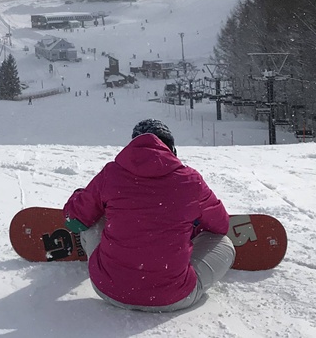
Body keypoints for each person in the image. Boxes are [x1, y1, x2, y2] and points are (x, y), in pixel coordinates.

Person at [63, 119, 235, 312]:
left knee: (93, 218)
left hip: (109, 291)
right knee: (223, 242)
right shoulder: (190, 181)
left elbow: (74, 220)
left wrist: (81, 196)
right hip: (174, 298)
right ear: (171, 150)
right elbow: (220, 226)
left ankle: (105, 257)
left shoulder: (111, 174)